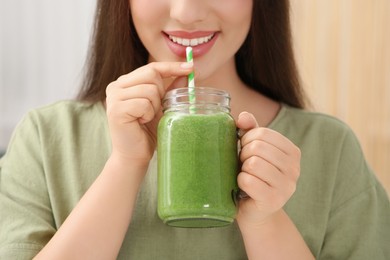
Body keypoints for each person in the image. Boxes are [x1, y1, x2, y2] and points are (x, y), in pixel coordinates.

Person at [0, 0, 389, 259]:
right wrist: (125, 164)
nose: (187, 12)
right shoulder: (46, 138)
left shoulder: (330, 149)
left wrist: (265, 221)